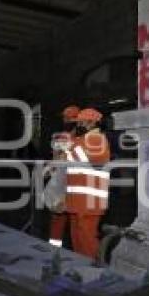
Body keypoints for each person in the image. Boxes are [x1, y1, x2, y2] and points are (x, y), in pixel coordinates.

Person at [64, 107, 111, 261]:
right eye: (78, 122)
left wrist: (71, 146)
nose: (78, 125)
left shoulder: (98, 140)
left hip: (89, 201)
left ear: (92, 123)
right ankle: (82, 269)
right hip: (77, 200)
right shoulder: (80, 140)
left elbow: (94, 159)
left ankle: (95, 273)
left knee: (87, 240)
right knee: (77, 239)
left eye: (81, 122)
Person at [46, 106, 80, 247]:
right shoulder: (81, 138)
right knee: (69, 218)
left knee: (61, 218)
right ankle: (60, 248)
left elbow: (55, 160)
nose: (63, 120)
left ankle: (56, 249)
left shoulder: (63, 137)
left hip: (65, 183)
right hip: (72, 183)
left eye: (65, 118)